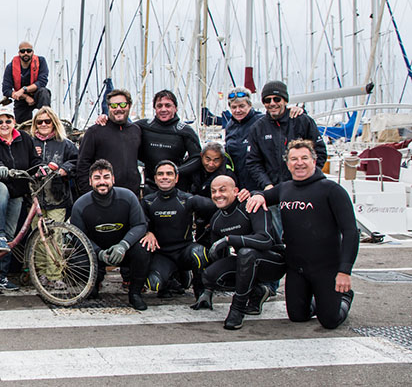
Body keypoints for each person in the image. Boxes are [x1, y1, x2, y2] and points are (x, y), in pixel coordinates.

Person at [246, 140, 357, 329]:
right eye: (294, 159)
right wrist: (258, 195)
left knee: (329, 321)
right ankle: (322, 302)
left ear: (314, 161)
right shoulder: (285, 188)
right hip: (297, 268)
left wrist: (344, 271)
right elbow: (265, 195)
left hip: (327, 268)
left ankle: (344, 296)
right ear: (287, 164)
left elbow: (351, 232)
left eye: (304, 158)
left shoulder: (332, 190)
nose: (299, 163)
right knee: (298, 316)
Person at [195, 175, 286, 329]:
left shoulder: (249, 205)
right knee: (210, 275)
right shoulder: (217, 219)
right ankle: (257, 292)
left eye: (223, 190)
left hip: (273, 262)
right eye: (214, 191)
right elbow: (218, 256)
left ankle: (238, 308)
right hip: (247, 264)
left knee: (246, 252)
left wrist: (230, 239)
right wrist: (208, 290)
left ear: (236, 191)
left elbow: (265, 240)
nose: (218, 195)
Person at [69, 160, 150, 310]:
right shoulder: (80, 205)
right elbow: (77, 236)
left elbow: (140, 225)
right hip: (96, 253)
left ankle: (135, 293)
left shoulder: (128, 197)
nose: (102, 182)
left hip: (124, 249)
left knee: (142, 249)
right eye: (97, 178)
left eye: (106, 177)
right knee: (75, 259)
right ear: (90, 181)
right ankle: (94, 284)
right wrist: (99, 253)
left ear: (113, 179)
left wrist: (123, 246)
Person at [0, 103, 41, 291]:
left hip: (17, 192)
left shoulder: (25, 139)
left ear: (14, 122)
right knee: (0, 188)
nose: (4, 124)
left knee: (10, 235)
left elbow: (34, 160)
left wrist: (42, 167)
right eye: (0, 121)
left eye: (8, 120)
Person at [140, 161, 216, 301]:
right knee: (154, 284)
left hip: (184, 251)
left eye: (169, 174)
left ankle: (200, 293)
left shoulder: (187, 199)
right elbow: (138, 223)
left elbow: (217, 206)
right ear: (155, 178)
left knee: (200, 253)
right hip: (162, 254)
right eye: (160, 174)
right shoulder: (147, 202)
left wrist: (211, 223)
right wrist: (147, 232)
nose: (165, 177)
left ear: (176, 178)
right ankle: (172, 279)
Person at [245, 80, 327, 193]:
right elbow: (253, 161)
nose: (272, 103)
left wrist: (309, 177)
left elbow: (320, 152)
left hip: (303, 188)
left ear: (285, 101)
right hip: (273, 190)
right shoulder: (257, 128)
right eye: (267, 100)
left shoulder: (302, 121)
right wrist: (266, 184)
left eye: (277, 99)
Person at [224, 86, 303, 192]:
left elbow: (282, 118)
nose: (238, 110)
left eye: (242, 106)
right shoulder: (230, 126)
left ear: (250, 105)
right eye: (234, 107)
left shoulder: (261, 121)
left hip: (262, 184)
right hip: (240, 184)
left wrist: (295, 111)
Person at [77, 89, 141, 195]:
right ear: (109, 107)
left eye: (123, 104)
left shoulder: (136, 130)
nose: (118, 109)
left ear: (129, 105)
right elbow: (82, 165)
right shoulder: (94, 131)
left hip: (131, 194)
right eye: (114, 106)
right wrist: (88, 193)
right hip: (103, 194)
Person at [136, 90, 202, 193]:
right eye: (159, 106)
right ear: (155, 108)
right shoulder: (143, 126)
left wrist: (175, 172)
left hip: (177, 187)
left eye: (168, 105)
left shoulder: (185, 131)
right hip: (151, 186)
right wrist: (103, 119)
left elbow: (197, 158)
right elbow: (121, 128)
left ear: (175, 108)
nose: (163, 109)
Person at [29, 106, 78, 222]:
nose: (43, 124)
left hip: (57, 199)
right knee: (37, 237)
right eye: (39, 122)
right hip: (34, 199)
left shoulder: (65, 143)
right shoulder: (29, 143)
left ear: (54, 122)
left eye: (48, 121)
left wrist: (64, 170)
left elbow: (77, 161)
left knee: (55, 236)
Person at [1, 41, 50, 123]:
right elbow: (6, 90)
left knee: (44, 92)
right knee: (21, 125)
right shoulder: (10, 67)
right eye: (23, 51)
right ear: (19, 53)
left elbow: (42, 82)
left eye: (28, 51)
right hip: (21, 99)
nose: (25, 53)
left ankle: (46, 119)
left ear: (32, 52)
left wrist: (23, 89)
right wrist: (25, 97)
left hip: (38, 94)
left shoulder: (41, 61)